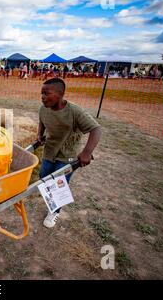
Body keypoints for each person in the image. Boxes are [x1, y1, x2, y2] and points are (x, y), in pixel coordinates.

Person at [37, 78, 102, 228]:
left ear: (60, 94)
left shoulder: (74, 111)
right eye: (41, 93)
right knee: (44, 178)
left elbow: (96, 129)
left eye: (47, 93)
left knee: (58, 184)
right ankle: (52, 199)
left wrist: (86, 152)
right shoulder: (43, 108)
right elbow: (42, 120)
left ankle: (54, 211)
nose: (43, 97)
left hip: (68, 154)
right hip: (50, 150)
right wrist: (40, 134)